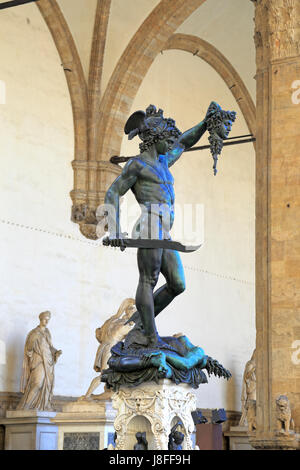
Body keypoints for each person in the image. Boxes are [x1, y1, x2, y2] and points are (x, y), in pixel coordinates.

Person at [104, 103, 235, 348]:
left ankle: (142, 324)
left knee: (177, 284)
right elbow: (113, 193)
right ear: (156, 139)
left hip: (164, 230)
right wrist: (114, 229)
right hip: (150, 225)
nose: (171, 145)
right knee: (148, 280)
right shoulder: (137, 165)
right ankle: (150, 336)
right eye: (167, 140)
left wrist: (206, 122)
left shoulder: (163, 161)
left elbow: (185, 142)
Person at [80, 298, 135, 400]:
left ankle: (93, 397)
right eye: (133, 310)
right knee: (105, 375)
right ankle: (86, 396)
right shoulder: (127, 325)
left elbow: (98, 334)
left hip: (103, 348)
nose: (135, 312)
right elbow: (133, 341)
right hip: (111, 350)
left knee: (112, 385)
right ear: (128, 311)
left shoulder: (112, 320)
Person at [17, 311, 62, 411]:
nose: (46, 321)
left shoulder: (47, 332)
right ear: (40, 319)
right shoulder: (34, 333)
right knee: (37, 383)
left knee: (46, 385)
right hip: (39, 362)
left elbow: (49, 347)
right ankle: (26, 406)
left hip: (48, 363)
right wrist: (33, 356)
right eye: (45, 319)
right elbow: (28, 350)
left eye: (48, 319)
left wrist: (55, 352)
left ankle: (43, 405)